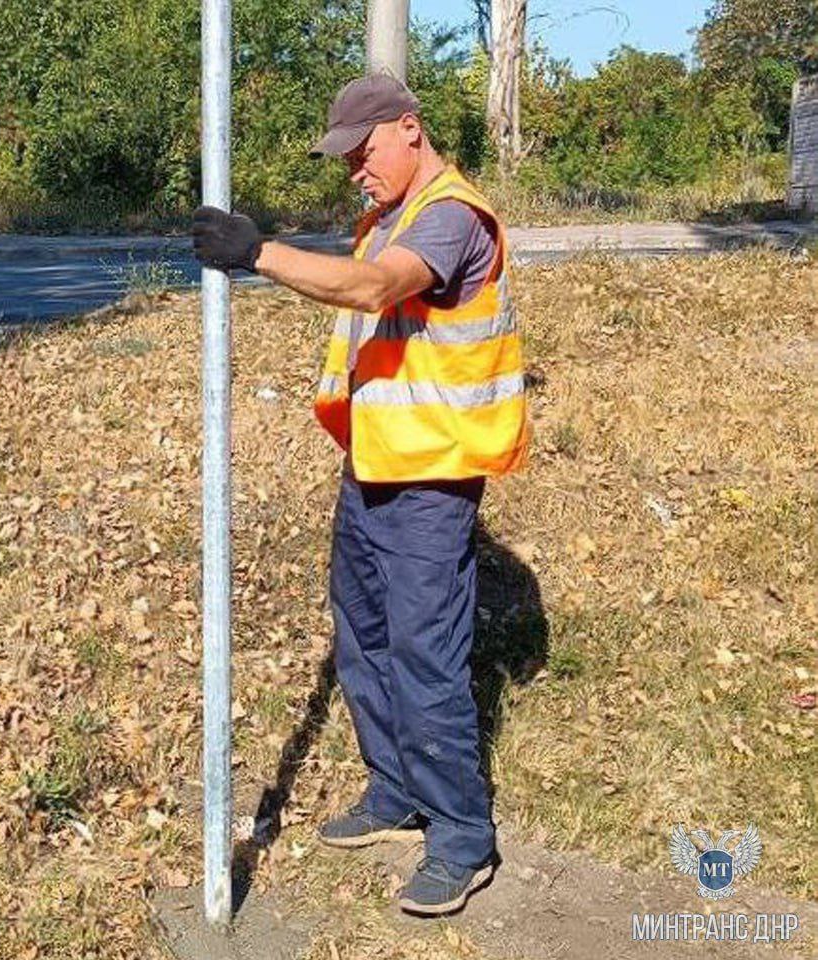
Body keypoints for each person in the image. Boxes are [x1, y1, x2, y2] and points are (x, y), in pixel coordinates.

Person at [191, 72, 530, 917]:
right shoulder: (387, 215)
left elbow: (374, 290)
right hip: (373, 468)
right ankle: (394, 792)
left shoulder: (451, 217)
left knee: (424, 654)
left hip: (429, 482)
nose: (354, 171)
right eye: (344, 158)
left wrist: (255, 253)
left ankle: (459, 835)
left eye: (362, 150)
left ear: (408, 129)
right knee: (363, 637)